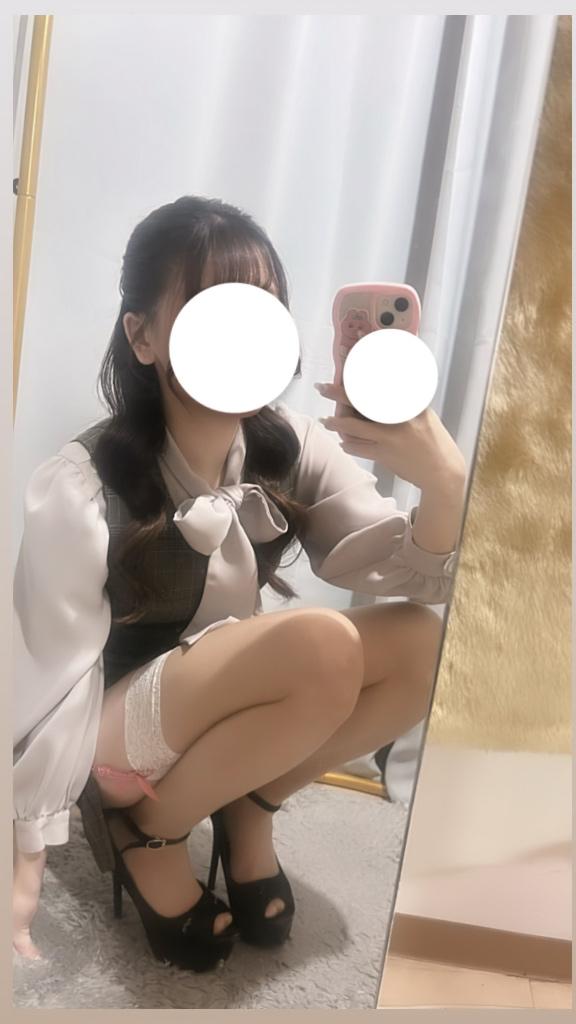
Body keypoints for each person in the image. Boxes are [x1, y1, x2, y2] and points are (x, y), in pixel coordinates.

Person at [13, 195, 466, 972]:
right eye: (212, 307)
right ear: (144, 336)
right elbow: (44, 679)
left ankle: (250, 809)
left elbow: (401, 572)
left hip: (222, 701)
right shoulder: (83, 483)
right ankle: (148, 834)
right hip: (116, 738)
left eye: (263, 308)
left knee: (423, 646)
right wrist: (23, 858)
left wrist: (445, 482)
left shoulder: (293, 446)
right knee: (321, 644)